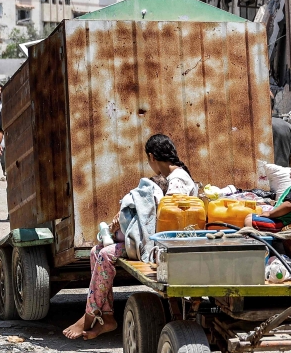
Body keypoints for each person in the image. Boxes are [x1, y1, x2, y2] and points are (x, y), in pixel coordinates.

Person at [63, 134, 195, 340]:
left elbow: (165, 217)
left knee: (106, 254)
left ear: (151, 157)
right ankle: (106, 317)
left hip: (159, 246)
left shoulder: (177, 181)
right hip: (154, 241)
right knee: (95, 252)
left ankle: (89, 316)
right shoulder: (175, 177)